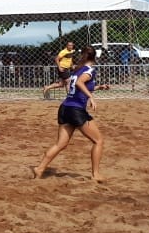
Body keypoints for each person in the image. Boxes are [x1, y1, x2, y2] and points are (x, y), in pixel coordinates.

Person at [32, 45, 105, 182]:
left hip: (65, 107)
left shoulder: (77, 70)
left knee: (61, 144)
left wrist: (98, 88)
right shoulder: (89, 70)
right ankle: (96, 174)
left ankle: (40, 168)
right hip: (76, 110)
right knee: (98, 141)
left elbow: (80, 84)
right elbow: (79, 83)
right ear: (94, 58)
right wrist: (91, 97)